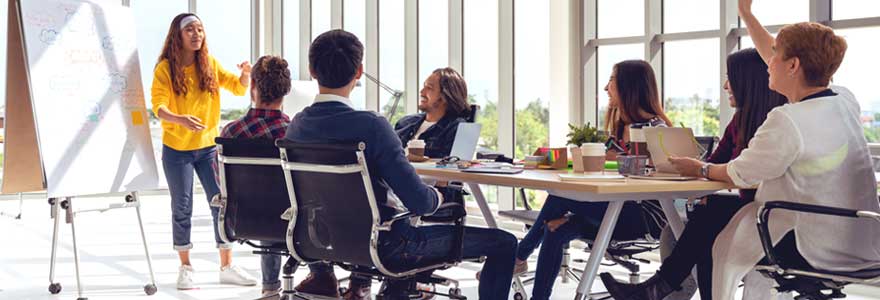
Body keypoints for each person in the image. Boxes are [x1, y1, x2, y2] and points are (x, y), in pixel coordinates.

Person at [284, 29, 517, 300]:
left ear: (312, 70)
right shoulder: (372, 126)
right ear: (359, 72)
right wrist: (436, 196)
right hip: (389, 245)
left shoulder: (296, 126)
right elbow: (421, 203)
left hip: (321, 241)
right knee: (505, 242)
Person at [668, 1, 880, 299]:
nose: (768, 63)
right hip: (861, 240)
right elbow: (778, 52)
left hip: (812, 246)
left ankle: (675, 286)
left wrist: (700, 168)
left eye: (775, 57)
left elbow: (740, 173)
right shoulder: (844, 101)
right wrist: (747, 15)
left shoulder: (786, 120)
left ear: (793, 66)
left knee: (717, 227)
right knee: (718, 214)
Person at [600, 48, 789, 300]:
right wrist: (696, 168)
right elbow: (717, 162)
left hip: (771, 215)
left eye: (730, 78)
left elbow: (745, 174)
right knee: (699, 226)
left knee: (708, 219)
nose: (725, 85)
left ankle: (659, 287)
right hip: (747, 208)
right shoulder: (740, 120)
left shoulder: (774, 124)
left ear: (748, 81)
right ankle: (660, 288)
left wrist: (703, 170)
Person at [511, 60, 672, 300]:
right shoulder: (619, 129)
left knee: (557, 198)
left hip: (641, 217)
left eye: (611, 81)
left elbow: (655, 179)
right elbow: (601, 166)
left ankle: (520, 255)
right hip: (613, 208)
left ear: (628, 86)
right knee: (554, 228)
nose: (606, 88)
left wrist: (620, 160)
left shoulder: (657, 129)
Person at [151, 13, 257, 290]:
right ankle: (185, 267)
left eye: (200, 29)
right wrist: (180, 119)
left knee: (221, 203)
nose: (197, 34)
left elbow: (237, 87)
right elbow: (158, 107)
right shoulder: (164, 69)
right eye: (190, 30)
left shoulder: (208, 63)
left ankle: (227, 265)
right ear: (178, 35)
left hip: (208, 148)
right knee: (182, 207)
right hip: (177, 151)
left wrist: (245, 74)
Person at [219, 55, 293, 298]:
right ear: (286, 91)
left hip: (243, 220)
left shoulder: (230, 132)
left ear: (252, 87)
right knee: (282, 206)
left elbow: (222, 181)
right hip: (289, 222)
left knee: (264, 204)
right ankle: (320, 277)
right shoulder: (293, 133)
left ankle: (270, 288)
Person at [395, 67, 471, 158]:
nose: (422, 92)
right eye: (424, 86)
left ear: (445, 96)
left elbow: (451, 166)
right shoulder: (405, 122)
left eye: (429, 88)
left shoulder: (457, 128)